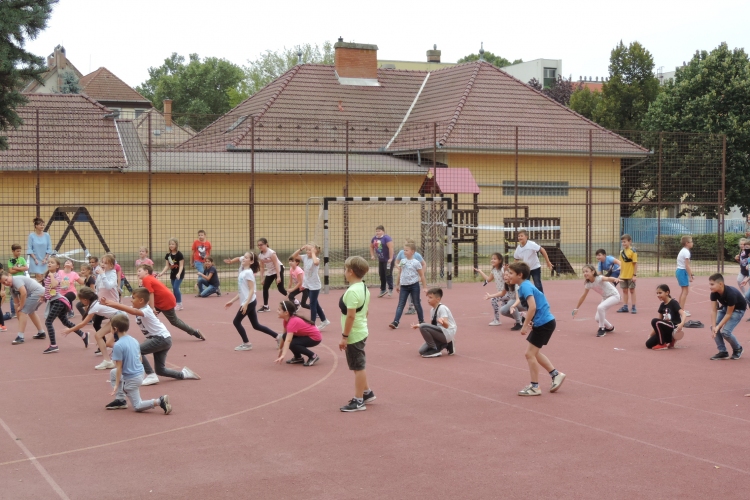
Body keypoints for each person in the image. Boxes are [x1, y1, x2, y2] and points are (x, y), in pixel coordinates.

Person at [101, 289, 201, 386]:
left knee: (136, 350)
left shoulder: (145, 310)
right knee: (160, 370)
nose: (131, 300)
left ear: (141, 300)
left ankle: (151, 375)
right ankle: (184, 374)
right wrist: (109, 304)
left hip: (161, 338)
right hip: (163, 339)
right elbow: (129, 309)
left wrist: (113, 303)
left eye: (133, 298)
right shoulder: (142, 309)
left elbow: (132, 311)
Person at [507, 262, 566, 396]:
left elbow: (532, 307)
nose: (508, 275)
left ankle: (535, 386)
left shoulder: (525, 286)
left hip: (544, 323)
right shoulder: (523, 286)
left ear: (520, 275)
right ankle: (556, 374)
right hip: (543, 322)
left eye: (511, 273)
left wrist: (524, 325)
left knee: (529, 354)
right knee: (534, 353)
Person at [104, 313, 172, 414]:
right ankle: (120, 400)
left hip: (132, 378)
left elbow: (119, 368)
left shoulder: (118, 345)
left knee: (137, 406)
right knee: (113, 373)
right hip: (140, 373)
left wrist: (116, 385)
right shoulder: (134, 340)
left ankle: (159, 401)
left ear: (115, 328)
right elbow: (140, 358)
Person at [339, 256, 375, 412]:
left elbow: (351, 316)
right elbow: (366, 311)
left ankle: (359, 401)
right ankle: (367, 392)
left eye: (346, 269)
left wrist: (345, 337)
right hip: (361, 330)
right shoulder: (363, 287)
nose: (345, 272)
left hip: (354, 334)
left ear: (351, 272)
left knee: (358, 367)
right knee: (357, 365)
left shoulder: (353, 291)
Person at [224, 251, 280, 351]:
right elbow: (242, 291)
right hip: (249, 301)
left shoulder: (248, 273)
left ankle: (247, 343)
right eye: (243, 257)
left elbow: (251, 290)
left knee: (236, 322)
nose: (243, 258)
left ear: (251, 261)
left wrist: (245, 304)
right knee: (256, 325)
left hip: (249, 302)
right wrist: (232, 301)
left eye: (246, 258)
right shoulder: (243, 271)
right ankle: (278, 337)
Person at [139, 265, 205, 341]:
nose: (137, 272)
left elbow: (151, 293)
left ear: (146, 271)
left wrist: (152, 307)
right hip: (162, 300)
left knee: (174, 321)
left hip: (165, 301)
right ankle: (152, 335)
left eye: (140, 271)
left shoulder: (146, 279)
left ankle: (194, 332)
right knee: (147, 316)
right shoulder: (149, 278)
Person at [64, 287, 123, 366]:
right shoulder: (95, 303)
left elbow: (83, 324)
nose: (80, 302)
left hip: (119, 318)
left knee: (108, 343)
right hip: (117, 317)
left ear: (85, 300)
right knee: (98, 336)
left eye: (80, 300)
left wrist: (70, 330)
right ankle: (107, 361)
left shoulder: (94, 307)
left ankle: (129, 349)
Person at [39, 257, 87, 353]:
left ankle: (53, 345)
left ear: (57, 266)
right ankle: (83, 335)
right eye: (48, 262)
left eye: (52, 263)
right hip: (54, 300)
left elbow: (54, 285)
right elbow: (49, 288)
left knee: (48, 322)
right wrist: (44, 296)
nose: (49, 264)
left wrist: (52, 276)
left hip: (59, 301)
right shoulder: (49, 275)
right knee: (65, 321)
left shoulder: (56, 275)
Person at [572, 264, 621, 337]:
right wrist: (576, 308)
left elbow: (608, 278)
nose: (585, 273)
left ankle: (601, 329)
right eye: (583, 272)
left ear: (593, 272)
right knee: (598, 318)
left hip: (614, 296)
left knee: (600, 307)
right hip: (605, 298)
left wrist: (615, 279)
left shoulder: (599, 278)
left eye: (587, 271)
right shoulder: (588, 284)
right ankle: (610, 327)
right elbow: (583, 296)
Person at [389, 240, 426, 329]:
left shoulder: (416, 262)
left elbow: (421, 275)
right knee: (401, 304)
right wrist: (397, 285)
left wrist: (425, 287)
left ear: (412, 252)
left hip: (414, 285)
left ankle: (421, 321)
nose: (404, 252)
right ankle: (396, 322)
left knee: (417, 303)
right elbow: (400, 272)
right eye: (404, 250)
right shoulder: (402, 261)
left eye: (406, 250)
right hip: (404, 286)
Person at [291, 244, 329, 329]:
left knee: (312, 304)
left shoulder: (316, 259)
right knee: (315, 303)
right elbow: (294, 256)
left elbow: (315, 262)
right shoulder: (305, 257)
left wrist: (313, 253)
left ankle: (312, 324)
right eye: (307, 250)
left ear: (315, 252)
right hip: (307, 284)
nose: (308, 251)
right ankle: (324, 320)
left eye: (310, 250)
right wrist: (301, 248)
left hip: (315, 286)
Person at [1, 271, 46, 345]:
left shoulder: (16, 280)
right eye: (3, 283)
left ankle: (20, 337)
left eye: (6, 279)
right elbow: (16, 303)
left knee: (23, 311)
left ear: (9, 275)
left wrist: (21, 307)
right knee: (31, 312)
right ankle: (41, 332)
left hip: (38, 293)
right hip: (37, 293)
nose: (6, 283)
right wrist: (18, 314)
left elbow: (24, 293)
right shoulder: (12, 289)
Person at [708, 273, 745, 360]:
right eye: (709, 284)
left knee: (726, 333)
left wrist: (718, 327)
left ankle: (738, 349)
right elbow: (713, 310)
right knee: (713, 328)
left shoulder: (731, 294)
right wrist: (714, 327)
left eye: (712, 284)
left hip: (738, 310)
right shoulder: (714, 293)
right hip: (726, 307)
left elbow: (729, 314)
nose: (710, 286)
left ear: (720, 284)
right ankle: (723, 352)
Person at [411, 287, 456, 358]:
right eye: (428, 297)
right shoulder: (432, 310)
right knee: (422, 351)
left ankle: (434, 350)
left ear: (438, 299)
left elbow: (447, 325)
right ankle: (447, 344)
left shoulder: (442, 308)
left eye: (430, 297)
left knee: (423, 326)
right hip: (440, 333)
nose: (428, 299)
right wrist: (419, 325)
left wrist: (442, 322)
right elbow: (432, 327)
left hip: (447, 332)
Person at [275, 300, 322, 366]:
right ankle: (298, 358)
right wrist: (280, 348)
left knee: (292, 343)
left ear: (286, 313)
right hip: (307, 336)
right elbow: (284, 336)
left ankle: (313, 356)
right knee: (287, 336)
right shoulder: (286, 320)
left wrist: (283, 355)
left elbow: (288, 341)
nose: (277, 311)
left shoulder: (292, 322)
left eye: (279, 310)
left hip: (315, 338)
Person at [646, 284, 685, 350]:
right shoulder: (662, 305)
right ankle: (671, 340)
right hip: (666, 329)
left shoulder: (673, 303)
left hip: (674, 327)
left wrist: (681, 324)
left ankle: (662, 344)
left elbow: (683, 314)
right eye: (657, 293)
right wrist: (650, 335)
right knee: (648, 344)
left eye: (660, 293)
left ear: (667, 293)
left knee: (654, 320)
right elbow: (658, 323)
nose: (658, 295)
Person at [394, 238, 424, 315]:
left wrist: (421, 275)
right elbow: (396, 262)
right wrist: (399, 268)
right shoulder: (401, 253)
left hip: (412, 278)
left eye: (406, 248)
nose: (404, 250)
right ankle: (412, 304)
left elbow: (423, 264)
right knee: (406, 293)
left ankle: (412, 306)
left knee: (412, 292)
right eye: (404, 248)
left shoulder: (416, 255)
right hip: (404, 276)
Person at [474, 252, 506, 326]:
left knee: (493, 300)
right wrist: (480, 271)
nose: (492, 260)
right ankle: (520, 316)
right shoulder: (494, 270)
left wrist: (505, 270)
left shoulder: (503, 269)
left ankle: (497, 320)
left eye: (495, 259)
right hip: (500, 292)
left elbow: (507, 277)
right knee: (507, 309)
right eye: (492, 259)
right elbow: (488, 279)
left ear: (500, 260)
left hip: (506, 292)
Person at [257, 238, 287, 312]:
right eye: (258, 245)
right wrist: (262, 278)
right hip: (270, 271)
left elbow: (276, 264)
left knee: (280, 289)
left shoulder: (271, 253)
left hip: (278, 269)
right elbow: (261, 267)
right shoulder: (260, 255)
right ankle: (266, 306)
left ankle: (295, 301)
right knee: (265, 287)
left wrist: (278, 276)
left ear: (266, 244)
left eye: (261, 244)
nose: (260, 246)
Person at [157, 238, 185, 311]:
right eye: (170, 244)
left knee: (176, 287)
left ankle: (179, 304)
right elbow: (167, 266)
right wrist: (161, 273)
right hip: (173, 273)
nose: (171, 245)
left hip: (179, 273)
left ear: (176, 245)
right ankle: (175, 303)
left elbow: (181, 265)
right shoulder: (168, 255)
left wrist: (179, 273)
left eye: (173, 244)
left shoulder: (179, 254)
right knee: (174, 289)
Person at [370, 225, 395, 298]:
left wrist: (390, 258)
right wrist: (372, 255)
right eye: (376, 231)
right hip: (381, 260)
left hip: (388, 260)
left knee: (388, 274)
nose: (377, 232)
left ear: (383, 231)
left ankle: (390, 288)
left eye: (379, 231)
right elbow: (371, 247)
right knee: (381, 274)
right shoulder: (374, 239)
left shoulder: (386, 238)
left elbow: (391, 248)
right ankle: (383, 289)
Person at [616, 234, 638, 314]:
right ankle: (625, 306)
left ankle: (633, 306)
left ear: (629, 241)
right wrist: (620, 270)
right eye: (622, 242)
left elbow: (635, 264)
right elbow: (621, 263)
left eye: (625, 242)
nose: (623, 244)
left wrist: (634, 275)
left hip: (630, 275)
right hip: (623, 275)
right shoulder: (621, 252)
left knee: (632, 290)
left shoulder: (633, 251)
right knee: (624, 290)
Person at [27, 217, 54, 281]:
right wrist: (35, 259)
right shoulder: (31, 235)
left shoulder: (47, 235)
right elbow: (29, 248)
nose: (42, 226)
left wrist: (45, 258)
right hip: (35, 259)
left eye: (43, 225)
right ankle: (40, 290)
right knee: (38, 276)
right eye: (40, 225)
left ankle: (44, 289)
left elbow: (49, 248)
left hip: (44, 259)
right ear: (36, 226)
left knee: (45, 276)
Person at [8, 243, 29, 318]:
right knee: (13, 296)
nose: (19, 253)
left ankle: (23, 309)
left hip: (22, 279)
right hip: (14, 280)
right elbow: (11, 271)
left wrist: (16, 268)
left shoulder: (22, 259)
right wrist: (20, 269)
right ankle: (14, 312)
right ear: (13, 251)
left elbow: (26, 268)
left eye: (20, 251)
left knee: (23, 294)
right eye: (17, 251)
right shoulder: (11, 260)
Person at [676, 235, 694, 316]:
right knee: (685, 291)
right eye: (691, 242)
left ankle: (680, 309)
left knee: (684, 291)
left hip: (681, 271)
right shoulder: (686, 252)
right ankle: (681, 311)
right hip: (682, 271)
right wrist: (691, 275)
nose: (692, 243)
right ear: (687, 243)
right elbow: (687, 265)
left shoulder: (683, 251)